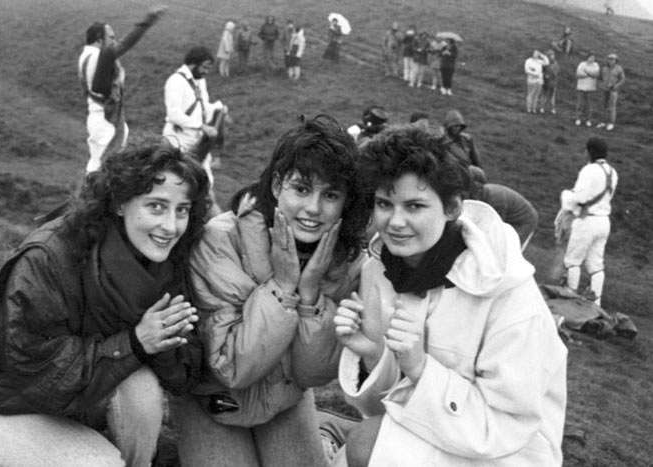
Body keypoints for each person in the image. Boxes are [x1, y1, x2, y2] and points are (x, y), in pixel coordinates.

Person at [0, 143, 210, 466]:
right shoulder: (48, 258)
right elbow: (35, 374)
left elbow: (183, 375)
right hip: (2, 407)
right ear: (120, 203)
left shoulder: (165, 261)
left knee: (143, 385)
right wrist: (136, 342)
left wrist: (165, 343)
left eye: (182, 210)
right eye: (156, 206)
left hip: (79, 403)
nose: (171, 226)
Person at [333, 125, 567, 466]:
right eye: (384, 203)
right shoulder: (379, 269)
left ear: (453, 207)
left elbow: (504, 429)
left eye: (414, 206)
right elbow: (384, 410)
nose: (395, 221)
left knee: (365, 445)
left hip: (510, 452)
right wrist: (372, 355)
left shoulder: (508, 293)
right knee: (359, 445)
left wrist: (420, 368)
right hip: (438, 435)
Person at [170, 115, 369, 467]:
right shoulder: (221, 240)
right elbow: (232, 367)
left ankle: (326, 434)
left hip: (285, 399)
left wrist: (309, 297)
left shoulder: (342, 260)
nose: (313, 209)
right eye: (302, 189)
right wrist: (281, 287)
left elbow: (311, 375)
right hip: (213, 399)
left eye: (331, 195)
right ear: (277, 185)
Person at [77, 7, 166, 173]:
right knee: (104, 169)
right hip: (106, 120)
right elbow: (126, 44)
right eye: (110, 37)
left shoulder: (85, 56)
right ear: (98, 39)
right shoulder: (98, 56)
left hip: (102, 117)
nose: (114, 41)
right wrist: (148, 21)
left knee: (106, 166)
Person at [162, 46, 228, 199]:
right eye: (204, 67)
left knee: (206, 181)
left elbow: (203, 108)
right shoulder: (175, 81)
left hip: (197, 140)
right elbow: (173, 114)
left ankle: (202, 216)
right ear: (193, 64)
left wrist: (218, 107)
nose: (206, 72)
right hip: (177, 140)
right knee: (179, 182)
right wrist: (201, 126)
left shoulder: (200, 82)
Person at [562, 137, 618, 306]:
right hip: (604, 222)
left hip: (587, 221)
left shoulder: (589, 170)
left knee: (572, 261)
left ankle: (570, 297)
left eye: (586, 150)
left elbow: (579, 197)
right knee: (596, 264)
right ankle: (596, 303)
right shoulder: (613, 172)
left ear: (590, 151)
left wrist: (566, 196)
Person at [468, 166, 539, 249]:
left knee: (509, 250)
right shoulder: (478, 196)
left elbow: (495, 229)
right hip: (509, 218)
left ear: (478, 188)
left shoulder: (496, 200)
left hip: (524, 221)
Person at [597, 53, 625, 131]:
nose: (611, 61)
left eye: (613, 59)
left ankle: (611, 123)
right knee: (603, 106)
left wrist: (616, 85)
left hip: (613, 91)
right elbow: (599, 78)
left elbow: (622, 79)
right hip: (604, 90)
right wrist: (600, 85)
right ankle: (602, 122)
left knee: (612, 107)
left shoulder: (619, 69)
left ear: (616, 60)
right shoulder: (604, 68)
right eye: (609, 59)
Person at [575, 53, 600, 127]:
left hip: (591, 88)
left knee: (589, 105)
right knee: (580, 104)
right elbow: (579, 74)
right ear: (587, 58)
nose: (592, 59)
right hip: (581, 87)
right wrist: (589, 74)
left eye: (593, 58)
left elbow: (596, 74)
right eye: (591, 57)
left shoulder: (596, 65)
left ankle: (588, 120)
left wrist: (586, 72)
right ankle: (578, 118)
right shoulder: (582, 64)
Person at [540, 49, 560, 114]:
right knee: (544, 95)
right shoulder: (544, 63)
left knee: (552, 96)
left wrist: (551, 74)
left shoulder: (555, 63)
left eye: (553, 55)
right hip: (545, 82)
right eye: (550, 55)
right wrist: (544, 75)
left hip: (553, 82)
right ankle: (542, 107)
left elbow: (556, 72)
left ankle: (553, 108)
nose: (552, 56)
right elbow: (541, 71)